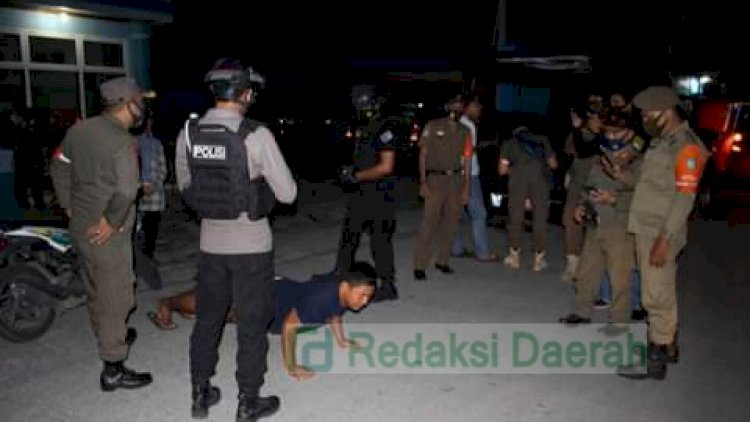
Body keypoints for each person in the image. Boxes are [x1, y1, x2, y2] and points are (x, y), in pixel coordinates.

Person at [175, 59, 297, 420]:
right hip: (251, 247)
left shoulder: (189, 133)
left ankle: (201, 394)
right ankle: (248, 401)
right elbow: (288, 193)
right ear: (243, 93)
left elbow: (185, 186)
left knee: (208, 320)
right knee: (251, 324)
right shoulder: (255, 134)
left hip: (210, 245)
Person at [49, 77, 154, 391]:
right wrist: (111, 221)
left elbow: (58, 164)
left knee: (95, 287)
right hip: (108, 234)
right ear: (127, 104)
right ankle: (113, 367)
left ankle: (109, 335)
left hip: (81, 226)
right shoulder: (122, 141)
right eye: (139, 101)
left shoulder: (79, 130)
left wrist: (68, 204)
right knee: (116, 297)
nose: (142, 107)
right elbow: (127, 190)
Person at [611, 86, 709, 380]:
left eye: (648, 114)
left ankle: (655, 359)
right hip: (647, 227)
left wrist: (665, 239)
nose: (644, 119)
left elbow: (684, 197)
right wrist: (622, 175)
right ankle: (668, 346)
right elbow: (645, 179)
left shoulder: (687, 147)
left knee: (654, 295)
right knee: (659, 289)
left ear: (666, 111)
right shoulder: (661, 142)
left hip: (661, 230)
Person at [146, 262, 377, 381]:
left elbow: (335, 313)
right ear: (345, 286)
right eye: (362, 295)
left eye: (369, 297)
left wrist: (342, 340)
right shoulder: (322, 298)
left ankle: (184, 306)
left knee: (217, 309)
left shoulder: (341, 296)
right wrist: (292, 367)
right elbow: (289, 327)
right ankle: (167, 303)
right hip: (261, 298)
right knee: (217, 307)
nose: (365, 301)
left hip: (275, 298)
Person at [558, 116, 644, 327]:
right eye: (608, 132)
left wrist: (615, 199)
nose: (612, 137)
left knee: (619, 276)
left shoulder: (638, 160)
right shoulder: (600, 157)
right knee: (586, 271)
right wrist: (581, 205)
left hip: (620, 224)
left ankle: (619, 318)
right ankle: (581, 311)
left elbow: (646, 195)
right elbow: (590, 186)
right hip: (595, 222)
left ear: (630, 133)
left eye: (617, 132)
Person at [333, 85, 399, 301]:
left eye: (364, 104)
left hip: (380, 194)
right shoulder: (363, 126)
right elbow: (362, 157)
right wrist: (350, 171)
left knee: (380, 241)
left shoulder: (385, 128)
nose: (361, 109)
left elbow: (386, 166)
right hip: (360, 192)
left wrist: (358, 175)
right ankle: (340, 274)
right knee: (349, 236)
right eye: (358, 105)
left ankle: (387, 285)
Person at [413, 95, 472, 280]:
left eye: (461, 106)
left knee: (452, 222)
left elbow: (467, 159)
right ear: (448, 106)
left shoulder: (465, 131)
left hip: (455, 179)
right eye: (455, 105)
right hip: (435, 178)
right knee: (429, 222)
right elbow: (423, 154)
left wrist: (466, 186)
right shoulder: (433, 125)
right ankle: (420, 264)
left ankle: (443, 261)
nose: (457, 108)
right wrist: (423, 181)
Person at [498, 125, 558, 271]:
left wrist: (515, 170)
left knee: (516, 216)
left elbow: (502, 170)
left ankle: (514, 256)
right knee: (540, 218)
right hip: (540, 179)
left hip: (518, 178)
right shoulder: (543, 140)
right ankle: (539, 258)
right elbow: (553, 164)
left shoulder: (509, 143)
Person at [451, 95, 500, 262]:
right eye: (478, 107)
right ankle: (482, 252)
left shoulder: (458, 123)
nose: (480, 111)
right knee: (479, 213)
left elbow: (465, 150)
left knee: (457, 212)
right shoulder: (468, 125)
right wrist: (467, 182)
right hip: (469, 174)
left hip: (456, 173)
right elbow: (467, 155)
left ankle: (456, 248)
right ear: (470, 106)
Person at [136, 114, 167, 260]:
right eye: (146, 123)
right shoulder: (134, 142)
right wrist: (141, 186)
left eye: (150, 123)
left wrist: (154, 184)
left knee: (152, 226)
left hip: (155, 192)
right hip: (138, 191)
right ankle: (140, 256)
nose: (148, 126)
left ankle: (149, 255)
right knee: (139, 226)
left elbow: (163, 167)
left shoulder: (157, 144)